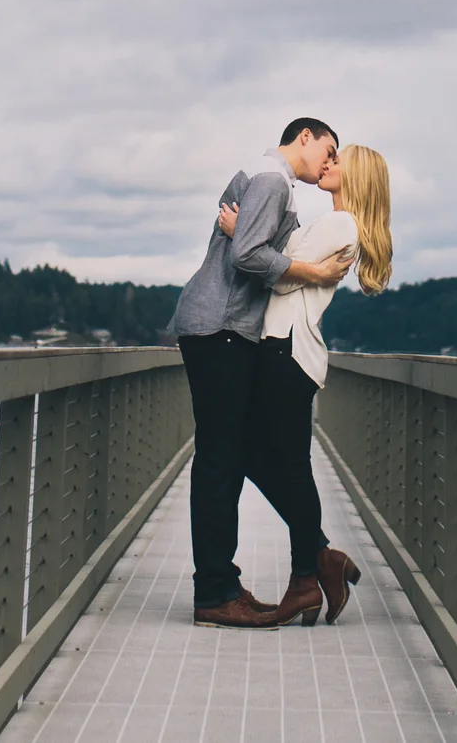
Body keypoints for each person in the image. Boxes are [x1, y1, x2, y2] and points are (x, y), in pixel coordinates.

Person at [164, 118, 352, 627]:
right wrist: (315, 273)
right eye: (327, 150)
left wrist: (238, 233)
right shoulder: (272, 179)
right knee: (220, 461)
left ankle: (249, 574)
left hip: (224, 327)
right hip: (222, 325)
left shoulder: (271, 183)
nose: (328, 162)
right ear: (305, 137)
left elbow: (260, 247)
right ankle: (216, 593)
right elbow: (250, 255)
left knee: (228, 455)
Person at [225, 141, 393, 625]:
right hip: (288, 352)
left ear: (355, 177)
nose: (329, 163)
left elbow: (277, 280)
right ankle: (315, 567)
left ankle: (312, 571)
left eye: (339, 161)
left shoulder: (341, 225)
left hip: (286, 349)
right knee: (284, 462)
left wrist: (243, 236)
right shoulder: (336, 224)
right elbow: (290, 268)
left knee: (273, 460)